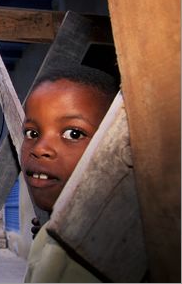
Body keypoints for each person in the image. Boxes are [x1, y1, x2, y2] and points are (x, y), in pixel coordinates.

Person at [21, 65, 118, 282]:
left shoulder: (87, 254)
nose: (39, 148)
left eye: (73, 133)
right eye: (32, 132)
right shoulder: (51, 238)